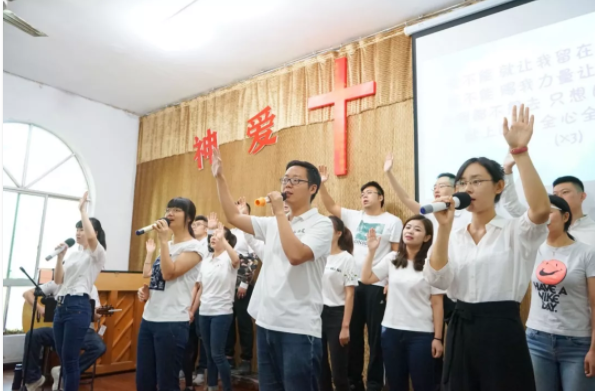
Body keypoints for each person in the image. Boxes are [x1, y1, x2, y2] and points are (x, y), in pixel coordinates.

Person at [424, 104, 551, 391]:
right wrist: (443, 228)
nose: (467, 188)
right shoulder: (453, 233)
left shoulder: (516, 230)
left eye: (477, 181)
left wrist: (520, 153)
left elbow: (541, 210)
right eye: (463, 182)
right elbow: (437, 280)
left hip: (501, 331)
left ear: (498, 187)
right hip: (461, 329)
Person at [211, 148, 333, 391]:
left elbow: (296, 255)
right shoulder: (274, 223)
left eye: (295, 180)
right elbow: (233, 216)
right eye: (285, 179)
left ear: (312, 189)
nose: (287, 184)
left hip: (298, 328)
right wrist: (219, 178)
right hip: (267, 323)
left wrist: (279, 212)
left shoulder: (321, 224)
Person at [318, 165, 403, 391]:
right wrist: (323, 184)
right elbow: (330, 206)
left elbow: (397, 253)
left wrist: (390, 282)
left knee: (376, 338)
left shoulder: (392, 221)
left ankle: (374, 383)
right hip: (353, 284)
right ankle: (354, 381)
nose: (364, 196)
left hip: (377, 284)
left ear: (381, 197)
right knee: (351, 336)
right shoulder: (354, 216)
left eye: (369, 193)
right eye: (362, 194)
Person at [361, 215, 444, 391]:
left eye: (417, 229)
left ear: (427, 237)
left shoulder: (431, 263)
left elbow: (437, 304)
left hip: (421, 334)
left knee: (423, 385)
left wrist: (437, 337)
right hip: (391, 331)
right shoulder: (392, 258)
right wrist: (371, 251)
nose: (410, 231)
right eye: (408, 227)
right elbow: (366, 278)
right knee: (395, 384)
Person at [525, 195, 595, 390]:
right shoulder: (532, 249)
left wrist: (594, 349)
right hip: (536, 339)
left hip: (577, 342)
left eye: (549, 212)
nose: (542, 217)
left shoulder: (587, 253)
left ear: (565, 217)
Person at [136, 197, 205, 391]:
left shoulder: (194, 247)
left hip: (172, 322)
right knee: (144, 381)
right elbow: (160, 280)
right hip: (149, 319)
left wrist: (164, 241)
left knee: (167, 382)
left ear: (189, 218)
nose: (170, 214)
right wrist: (148, 291)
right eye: (168, 209)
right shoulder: (166, 246)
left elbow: (169, 273)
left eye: (176, 210)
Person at [53, 192, 107, 391]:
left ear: (93, 233)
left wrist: (83, 209)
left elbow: (92, 238)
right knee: (64, 357)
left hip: (78, 306)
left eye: (82, 229)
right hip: (61, 306)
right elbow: (58, 280)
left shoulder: (97, 254)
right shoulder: (74, 255)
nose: (78, 233)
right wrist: (60, 258)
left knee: (70, 359)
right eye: (76, 229)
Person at [20, 281, 105, 391]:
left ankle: (62, 372)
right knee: (32, 334)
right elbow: (27, 293)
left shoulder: (90, 287)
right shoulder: (57, 283)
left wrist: (97, 313)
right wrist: (41, 309)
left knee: (99, 346)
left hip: (82, 330)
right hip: (57, 328)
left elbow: (96, 315)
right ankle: (33, 379)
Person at [190, 222, 240, 391]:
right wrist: (191, 310)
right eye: (212, 235)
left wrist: (223, 239)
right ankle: (211, 386)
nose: (213, 237)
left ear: (226, 240)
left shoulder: (229, 257)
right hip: (204, 312)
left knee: (218, 354)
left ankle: (227, 388)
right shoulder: (206, 261)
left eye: (218, 235)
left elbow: (236, 260)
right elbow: (200, 289)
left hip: (222, 312)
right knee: (209, 354)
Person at [501, 158, 595, 245]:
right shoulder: (542, 223)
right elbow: (511, 205)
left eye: (565, 192)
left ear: (582, 196)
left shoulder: (592, 231)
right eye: (555, 194)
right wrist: (507, 170)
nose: (559, 197)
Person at [384, 153, 470, 232]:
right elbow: (405, 198)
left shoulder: (467, 214)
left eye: (441, 186)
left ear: (456, 189)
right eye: (435, 187)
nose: (436, 190)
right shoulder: (430, 209)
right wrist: (389, 172)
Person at [319, 216, 357, 391]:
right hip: (316, 313)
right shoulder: (318, 256)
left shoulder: (347, 259)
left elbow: (350, 294)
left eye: (329, 228)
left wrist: (345, 326)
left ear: (338, 233)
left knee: (339, 372)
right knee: (319, 367)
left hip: (337, 314)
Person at [226, 197, 258, 375]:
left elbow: (253, 260)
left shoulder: (252, 232)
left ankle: (246, 360)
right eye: (237, 211)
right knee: (228, 321)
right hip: (227, 282)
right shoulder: (229, 232)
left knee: (244, 322)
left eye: (243, 211)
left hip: (242, 282)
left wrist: (245, 283)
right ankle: (229, 357)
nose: (240, 214)